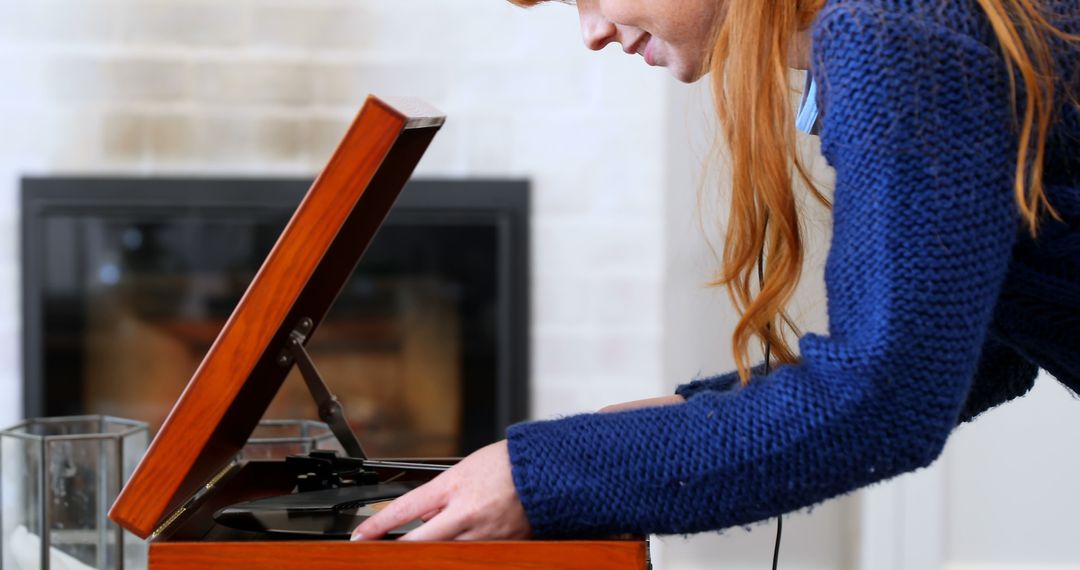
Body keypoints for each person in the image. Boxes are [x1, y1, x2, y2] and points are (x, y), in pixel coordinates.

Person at [352, 0, 1080, 541]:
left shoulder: (892, 34)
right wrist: (690, 418)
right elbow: (977, 345)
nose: (592, 31)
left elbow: (882, 402)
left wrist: (539, 474)